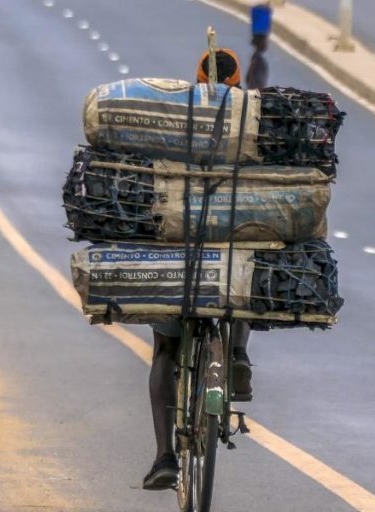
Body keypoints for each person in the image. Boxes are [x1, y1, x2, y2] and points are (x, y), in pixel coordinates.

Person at [142, 49, 253, 491]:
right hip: (228, 255)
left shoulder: (177, 120)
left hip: (182, 256)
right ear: (238, 83)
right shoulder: (253, 124)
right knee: (247, 264)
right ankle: (239, 354)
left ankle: (165, 455)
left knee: (165, 352)